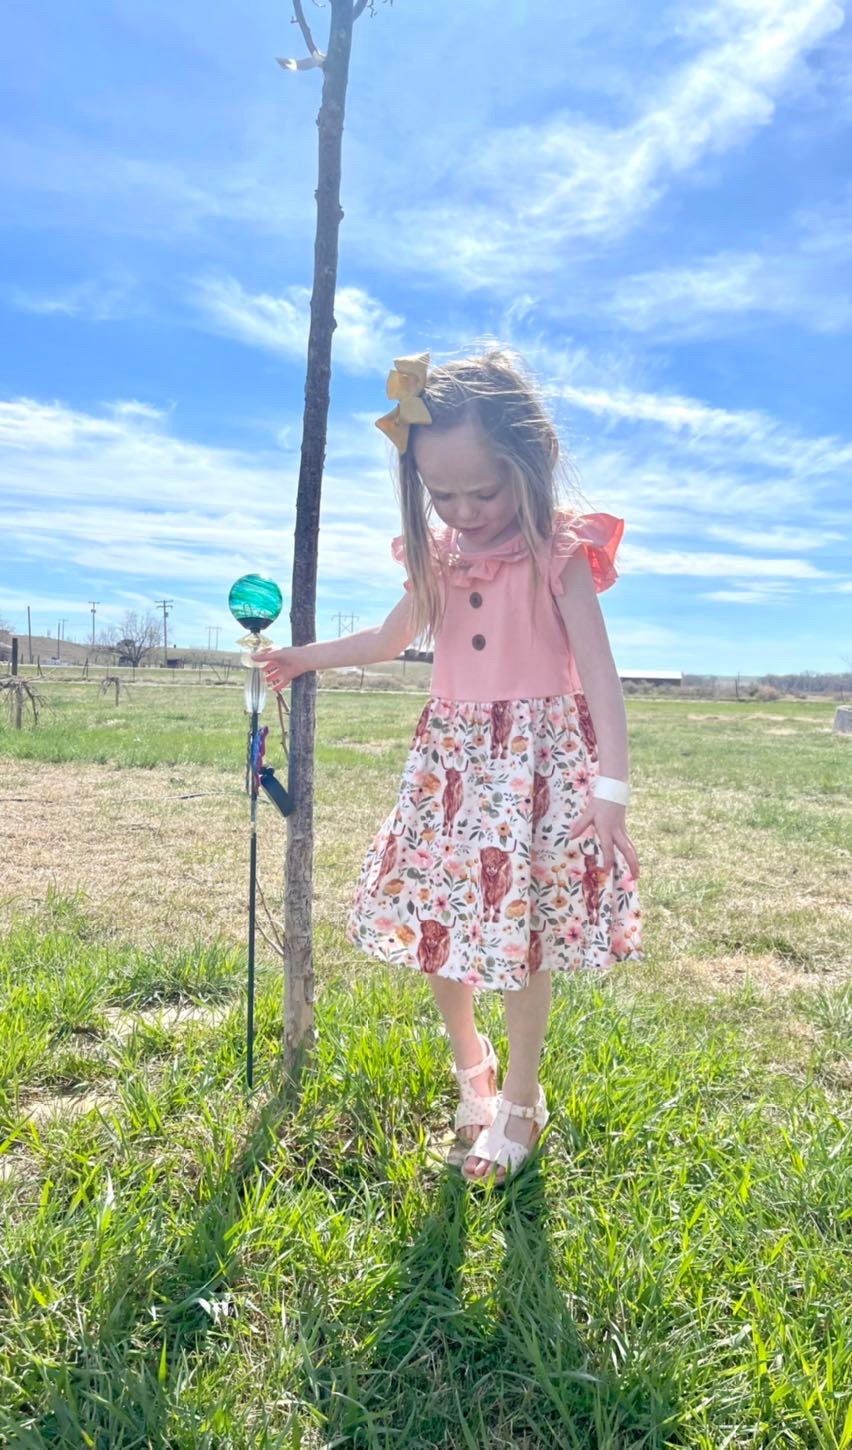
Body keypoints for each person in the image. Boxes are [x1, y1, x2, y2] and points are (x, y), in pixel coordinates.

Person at [253, 348, 642, 1185]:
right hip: (451, 768)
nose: (464, 511)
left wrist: (611, 791)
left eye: (484, 491)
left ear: (528, 465)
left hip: (532, 770)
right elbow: (389, 640)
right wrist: (299, 658)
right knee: (439, 924)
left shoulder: (558, 556)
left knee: (518, 940)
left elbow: (603, 681)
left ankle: (523, 1101)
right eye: (443, 495)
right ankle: (472, 1068)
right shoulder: (441, 557)